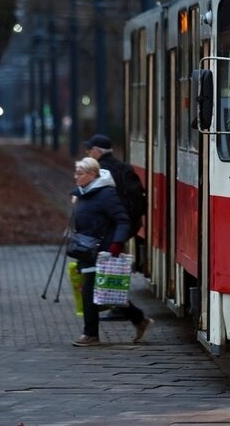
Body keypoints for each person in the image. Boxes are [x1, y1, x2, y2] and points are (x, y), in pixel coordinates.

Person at [70, 157, 153, 347]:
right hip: (86, 250)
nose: (76, 177)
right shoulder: (84, 193)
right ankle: (140, 319)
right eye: (76, 173)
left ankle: (90, 334)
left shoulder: (106, 195)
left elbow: (122, 221)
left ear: (92, 175)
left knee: (91, 292)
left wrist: (116, 243)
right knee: (107, 293)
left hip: (103, 251)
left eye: (80, 173)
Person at [85, 134, 147, 320]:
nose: (88, 153)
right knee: (110, 266)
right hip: (127, 224)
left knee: (104, 267)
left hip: (114, 227)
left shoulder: (102, 171)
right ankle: (115, 304)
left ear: (97, 151)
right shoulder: (123, 167)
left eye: (89, 150)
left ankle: (119, 307)